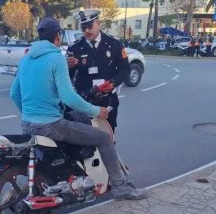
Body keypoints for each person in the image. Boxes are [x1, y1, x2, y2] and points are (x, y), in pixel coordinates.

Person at [9, 17, 147, 200]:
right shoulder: (56, 57)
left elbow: (14, 94)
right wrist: (96, 111)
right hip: (52, 124)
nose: (87, 29)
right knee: (104, 138)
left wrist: (30, 115)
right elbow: (68, 96)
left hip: (27, 124)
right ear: (58, 37)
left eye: (90, 25)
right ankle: (121, 187)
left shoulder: (26, 59)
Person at [66, 9, 130, 133]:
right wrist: (69, 67)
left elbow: (125, 69)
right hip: (85, 101)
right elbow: (68, 77)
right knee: (84, 142)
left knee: (108, 138)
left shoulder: (114, 44)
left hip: (107, 101)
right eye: (83, 28)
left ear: (98, 23)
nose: (86, 31)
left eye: (89, 26)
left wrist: (113, 83)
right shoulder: (75, 48)